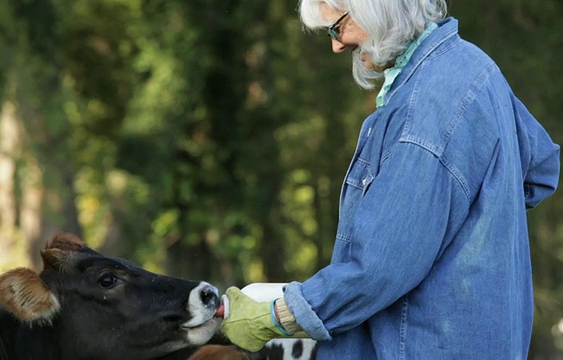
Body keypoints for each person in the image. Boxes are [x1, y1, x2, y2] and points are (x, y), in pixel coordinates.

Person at [220, 0, 561, 358]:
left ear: (375, 8)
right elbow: (540, 168)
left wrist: (273, 316)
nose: (337, 45)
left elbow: (375, 270)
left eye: (337, 27)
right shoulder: (474, 66)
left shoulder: (427, 109)